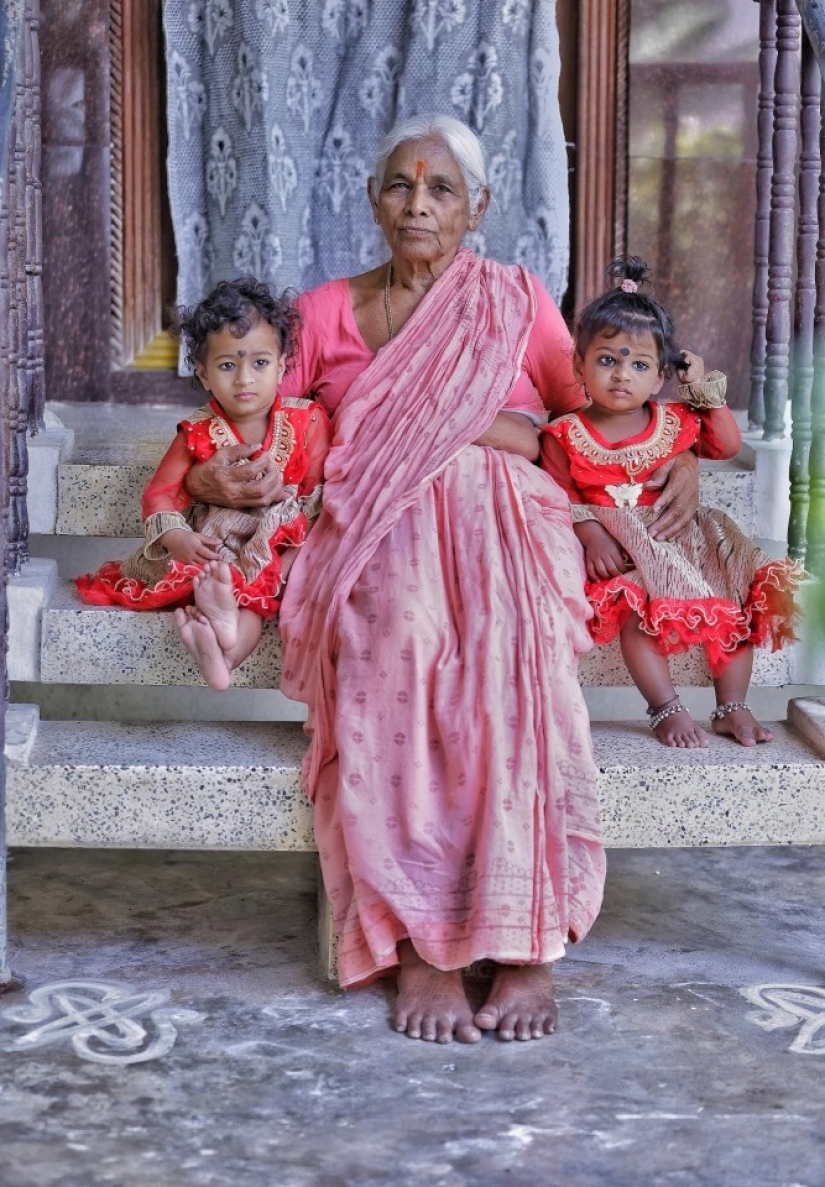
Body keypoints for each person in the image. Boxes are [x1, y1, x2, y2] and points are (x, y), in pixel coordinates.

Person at [185, 115, 699, 1044]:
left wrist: (687, 461)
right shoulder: (325, 312)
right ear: (374, 198)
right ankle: (422, 948)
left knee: (520, 653)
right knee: (400, 643)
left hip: (509, 517)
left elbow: (581, 418)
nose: (416, 203)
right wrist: (207, 477)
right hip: (380, 521)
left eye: (440, 188)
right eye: (399, 185)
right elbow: (246, 411)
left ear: (479, 206)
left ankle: (527, 941)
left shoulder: (515, 297)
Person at [540, 256, 803, 749]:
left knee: (735, 610)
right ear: (579, 364)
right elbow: (560, 492)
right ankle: (666, 707)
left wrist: (700, 388)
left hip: (688, 537)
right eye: (606, 359)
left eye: (639, 364)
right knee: (642, 620)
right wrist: (590, 531)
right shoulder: (566, 434)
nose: (622, 374)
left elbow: (724, 445)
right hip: (626, 548)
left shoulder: (674, 418)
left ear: (661, 375)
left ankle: (732, 705)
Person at [75, 277, 331, 691]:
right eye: (228, 365)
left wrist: (292, 557)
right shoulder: (196, 432)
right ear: (203, 373)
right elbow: (159, 494)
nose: (244, 379)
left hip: (286, 544)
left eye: (260, 363)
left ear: (283, 365)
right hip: (221, 544)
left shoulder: (309, 420)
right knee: (226, 576)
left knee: (258, 579)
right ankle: (225, 638)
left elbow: (321, 494)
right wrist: (178, 539)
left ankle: (224, 648)